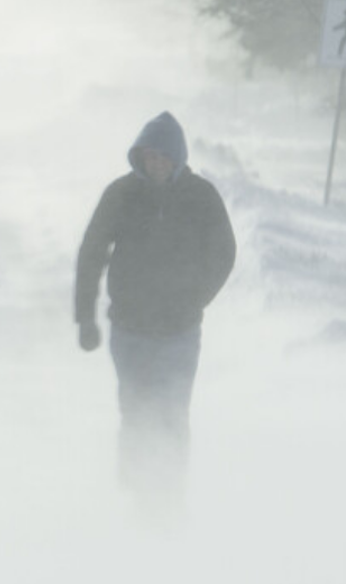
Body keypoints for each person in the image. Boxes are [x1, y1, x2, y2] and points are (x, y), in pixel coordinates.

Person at [75, 111, 236, 511]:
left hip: (180, 333)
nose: (157, 165)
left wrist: (196, 296)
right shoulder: (122, 195)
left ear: (178, 159)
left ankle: (169, 497)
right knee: (135, 408)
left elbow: (224, 252)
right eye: (150, 157)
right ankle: (134, 493)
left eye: (165, 158)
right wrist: (86, 317)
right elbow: (92, 253)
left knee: (172, 412)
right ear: (140, 157)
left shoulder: (200, 197)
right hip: (129, 331)